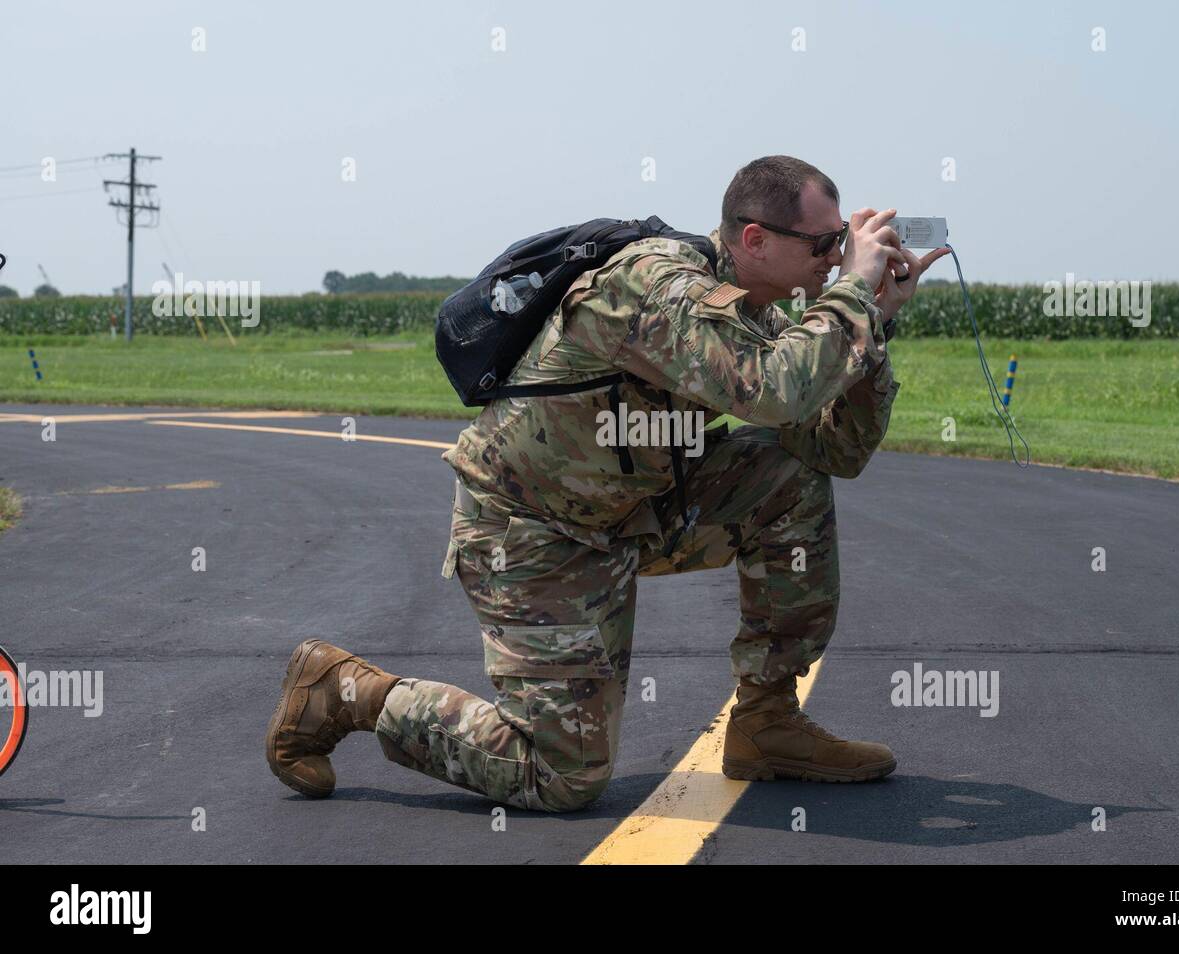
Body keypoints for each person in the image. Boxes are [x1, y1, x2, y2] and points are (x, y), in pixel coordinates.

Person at [267, 155, 950, 812]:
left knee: (790, 477)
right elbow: (774, 391)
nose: (836, 258)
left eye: (843, 244)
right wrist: (854, 295)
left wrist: (877, 323)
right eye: (826, 243)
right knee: (561, 777)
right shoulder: (659, 287)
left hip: (629, 514)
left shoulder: (753, 310)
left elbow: (833, 445)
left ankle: (766, 723)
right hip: (532, 533)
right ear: (755, 238)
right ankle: (350, 691)